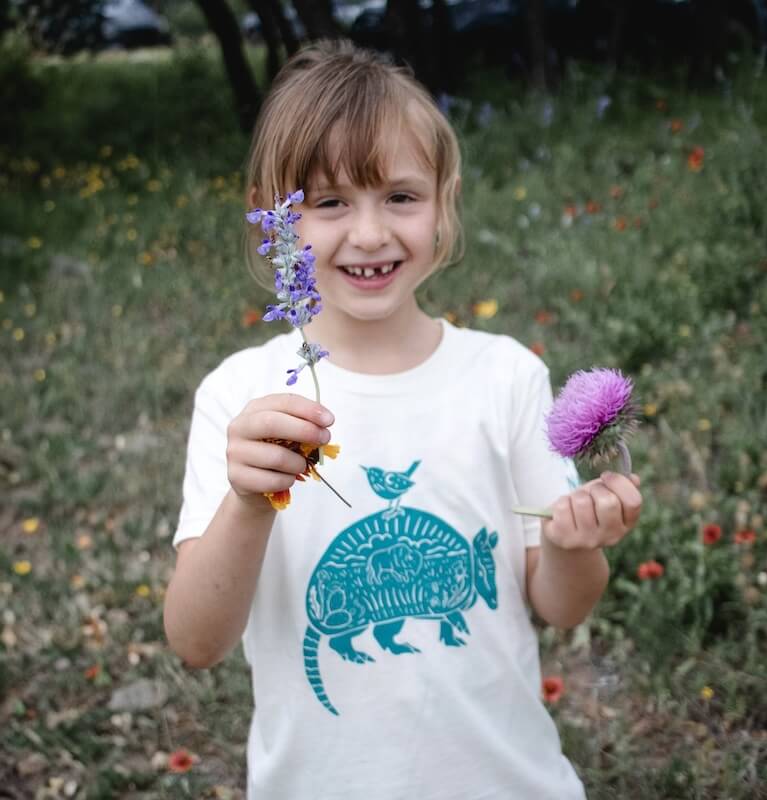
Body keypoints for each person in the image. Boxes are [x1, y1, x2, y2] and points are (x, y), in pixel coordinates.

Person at [164, 39, 643, 800]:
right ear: (275, 218)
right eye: (328, 203)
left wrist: (569, 543)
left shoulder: (506, 376)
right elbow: (195, 642)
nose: (369, 234)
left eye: (399, 196)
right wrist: (250, 502)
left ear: (444, 199)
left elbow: (561, 604)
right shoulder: (241, 396)